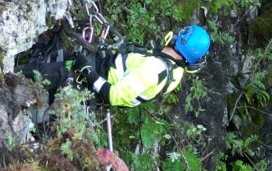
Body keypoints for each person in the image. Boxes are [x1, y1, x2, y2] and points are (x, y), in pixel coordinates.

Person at [17, 21, 211, 109]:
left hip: (90, 84)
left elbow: (114, 95)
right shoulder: (171, 69)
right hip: (101, 68)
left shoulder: (154, 69)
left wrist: (86, 70)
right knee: (55, 52)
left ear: (179, 41)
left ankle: (5, 78)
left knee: (42, 74)